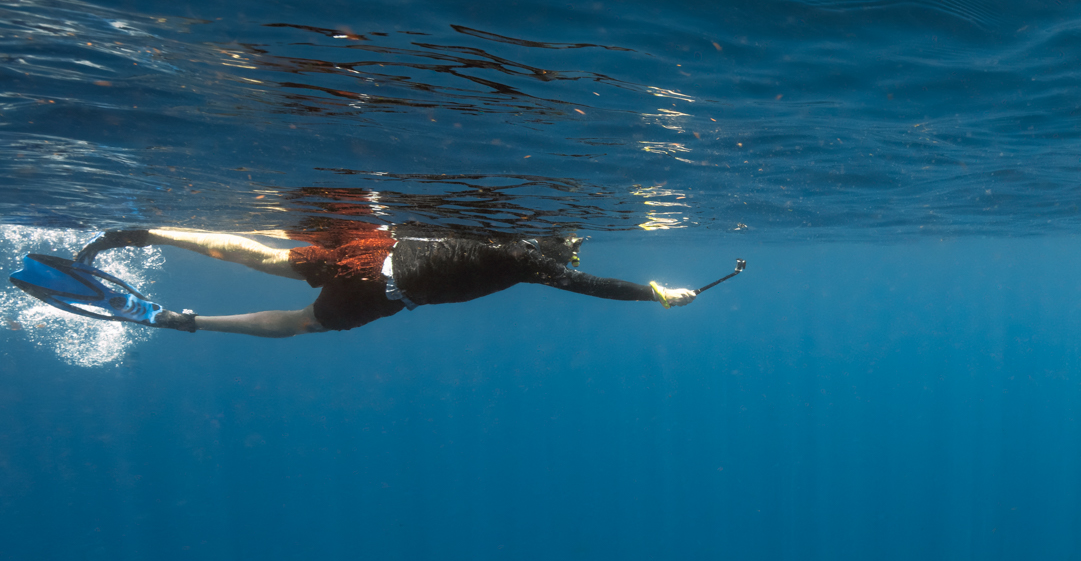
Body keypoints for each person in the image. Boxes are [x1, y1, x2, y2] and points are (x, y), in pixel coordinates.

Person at [39, 221, 735, 337]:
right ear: (554, 247)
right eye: (572, 249)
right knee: (302, 323)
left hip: (376, 251)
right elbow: (587, 286)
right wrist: (653, 292)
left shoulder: (492, 224)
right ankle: (180, 321)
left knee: (259, 254)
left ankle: (140, 231)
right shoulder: (531, 261)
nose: (574, 257)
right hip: (385, 292)